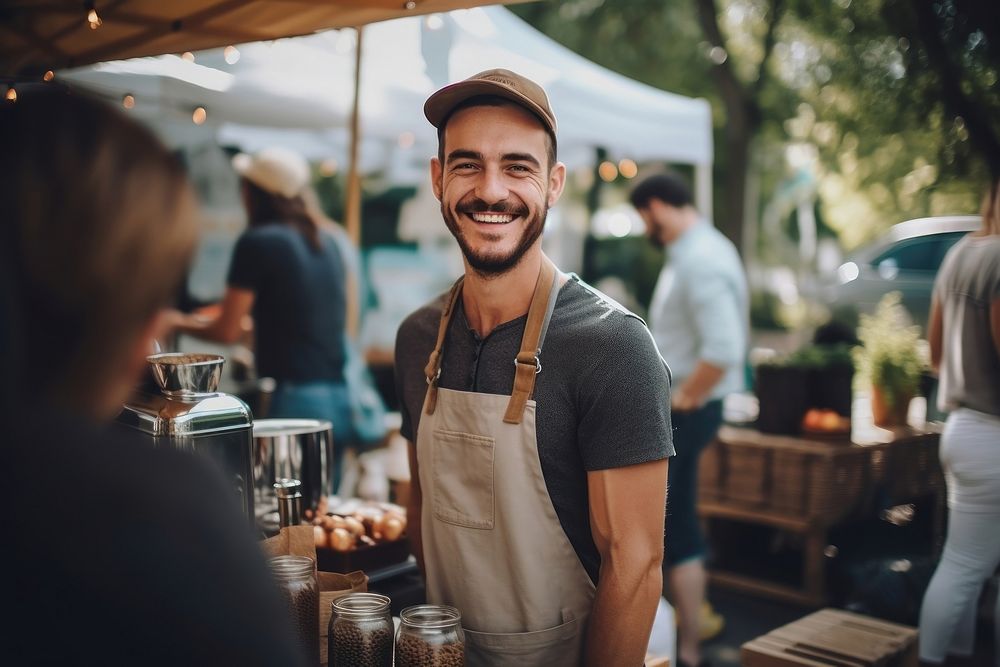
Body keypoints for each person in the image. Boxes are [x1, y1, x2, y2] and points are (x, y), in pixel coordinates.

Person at [0, 87, 306, 665]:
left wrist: (181, 316)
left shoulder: (258, 241)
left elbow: (223, 326)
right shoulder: (156, 511)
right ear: (135, 330)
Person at [393, 68, 672, 666]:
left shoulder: (613, 348)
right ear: (439, 180)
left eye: (518, 166)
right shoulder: (417, 339)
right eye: (467, 164)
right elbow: (420, 505)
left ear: (553, 184)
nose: (491, 191)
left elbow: (637, 564)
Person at [175, 147, 355, 490]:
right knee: (321, 516)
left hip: (294, 399)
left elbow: (226, 329)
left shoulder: (258, 242)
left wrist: (173, 321)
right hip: (338, 396)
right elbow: (300, 318)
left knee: (282, 522)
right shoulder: (324, 241)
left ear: (252, 192)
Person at [630, 172, 749, 667]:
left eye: (644, 218)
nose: (645, 229)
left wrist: (684, 398)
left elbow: (723, 349)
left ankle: (690, 651)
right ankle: (685, 643)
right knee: (673, 522)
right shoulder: (697, 250)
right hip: (687, 405)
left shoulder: (700, 259)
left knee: (674, 526)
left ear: (657, 205)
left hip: (689, 409)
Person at [918, 179, 1000, 665]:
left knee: (963, 563)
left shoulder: (961, 254)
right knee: (969, 566)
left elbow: (933, 353)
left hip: (962, 428)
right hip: (993, 432)